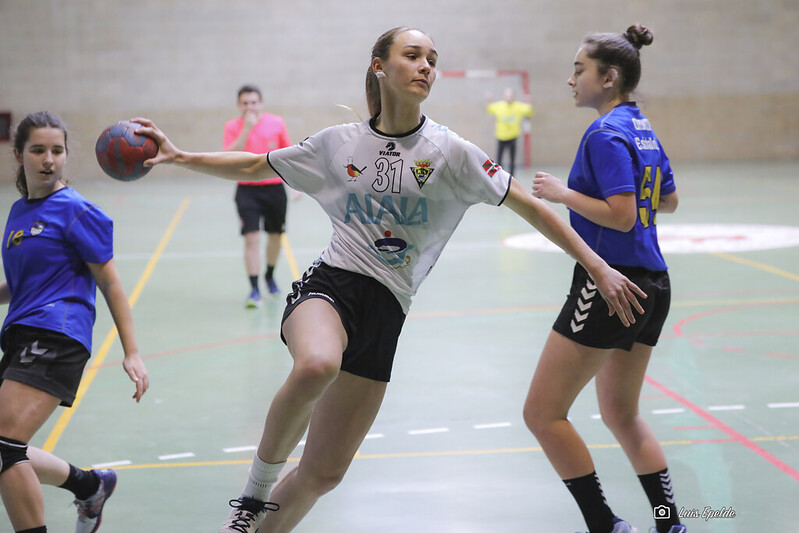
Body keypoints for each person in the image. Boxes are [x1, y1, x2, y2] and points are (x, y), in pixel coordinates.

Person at [134, 27, 646, 533]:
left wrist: (597, 266)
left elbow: (532, 207)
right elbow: (254, 164)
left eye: (432, 59)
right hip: (331, 287)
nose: (426, 66)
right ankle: (251, 498)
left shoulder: (451, 152)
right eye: (413, 55)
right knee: (316, 364)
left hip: (387, 310)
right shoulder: (339, 144)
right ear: (380, 66)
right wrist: (180, 156)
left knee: (322, 474)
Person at [522, 25, 685, 533]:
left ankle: (605, 524)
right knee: (622, 414)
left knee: (542, 414)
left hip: (612, 284)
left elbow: (622, 216)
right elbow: (668, 200)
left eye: (579, 70)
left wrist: (562, 194)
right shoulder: (642, 127)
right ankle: (670, 524)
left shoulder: (604, 133)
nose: (571, 80)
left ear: (608, 77)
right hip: (654, 283)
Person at [0, 111, 150, 533]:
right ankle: (89, 486)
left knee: (4, 445)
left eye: (57, 150)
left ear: (66, 155)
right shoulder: (19, 211)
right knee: (6, 445)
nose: (48, 159)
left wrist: (132, 351)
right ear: (19, 155)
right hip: (22, 332)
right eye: (38, 150)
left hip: (58, 334)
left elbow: (111, 283)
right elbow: (24, 282)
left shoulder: (77, 211)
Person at [224, 84, 293, 307]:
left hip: (274, 189)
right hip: (247, 190)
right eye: (245, 103)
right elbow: (227, 157)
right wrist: (246, 129)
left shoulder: (277, 123)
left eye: (253, 102)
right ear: (238, 105)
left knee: (275, 236)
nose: (250, 107)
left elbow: (288, 154)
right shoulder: (232, 127)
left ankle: (269, 276)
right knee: (251, 238)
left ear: (260, 103)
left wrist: (296, 185)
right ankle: (254, 289)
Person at [485, 87, 533, 177]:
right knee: (499, 159)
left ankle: (512, 177)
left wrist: (528, 101)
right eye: (507, 96)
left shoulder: (518, 106)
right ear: (504, 96)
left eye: (510, 96)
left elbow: (529, 111)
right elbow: (489, 109)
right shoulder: (499, 106)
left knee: (512, 159)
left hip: (512, 137)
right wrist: (488, 100)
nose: (509, 97)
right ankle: (498, 176)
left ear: (513, 96)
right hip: (501, 136)